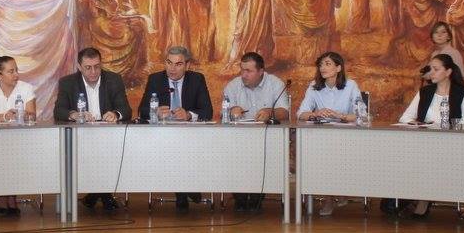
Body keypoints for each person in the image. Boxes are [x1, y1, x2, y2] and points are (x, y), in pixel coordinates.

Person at [54, 48, 133, 212]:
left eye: (97, 66)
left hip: (108, 136)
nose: (93, 72)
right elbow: (59, 110)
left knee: (107, 154)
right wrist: (74, 114)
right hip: (80, 136)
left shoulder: (113, 80)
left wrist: (115, 114)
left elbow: (126, 109)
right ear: (79, 66)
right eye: (88, 67)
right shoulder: (68, 82)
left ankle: (95, 195)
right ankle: (103, 195)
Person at [137, 46, 212, 211]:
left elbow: (207, 111)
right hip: (163, 136)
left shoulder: (197, 79)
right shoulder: (155, 79)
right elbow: (142, 111)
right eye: (169, 63)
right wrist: (155, 111)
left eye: (178, 64)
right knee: (174, 149)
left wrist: (189, 115)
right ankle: (185, 190)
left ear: (187, 65)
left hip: (190, 136)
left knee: (185, 149)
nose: (172, 68)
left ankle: (184, 191)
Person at [399, 54, 464, 218]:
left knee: (430, 157)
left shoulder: (461, 93)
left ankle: (423, 200)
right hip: (425, 142)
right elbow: (405, 118)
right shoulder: (424, 92)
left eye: (436, 69)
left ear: (448, 72)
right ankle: (417, 197)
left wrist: (445, 127)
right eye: (430, 69)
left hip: (452, 143)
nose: (431, 73)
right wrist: (416, 124)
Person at [295, 51, 363, 216]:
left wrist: (341, 116)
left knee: (332, 153)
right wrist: (316, 113)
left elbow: (361, 114)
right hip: (322, 137)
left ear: (338, 68)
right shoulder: (314, 86)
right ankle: (331, 197)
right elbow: (301, 113)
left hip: (347, 137)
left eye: (327, 64)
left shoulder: (350, 85)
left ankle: (333, 196)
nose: (322, 68)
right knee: (322, 152)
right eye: (321, 65)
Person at [222, 51, 288, 212]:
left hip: (266, 137)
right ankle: (240, 197)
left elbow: (285, 112)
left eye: (248, 71)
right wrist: (232, 110)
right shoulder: (233, 86)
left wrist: (270, 112)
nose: (243, 75)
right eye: (242, 70)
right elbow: (224, 113)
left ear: (261, 71)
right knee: (234, 154)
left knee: (263, 154)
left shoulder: (275, 84)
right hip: (238, 138)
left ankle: (257, 197)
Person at [0, 56, 37, 216]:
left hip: (20, 139)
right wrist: (6, 116)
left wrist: (21, 114)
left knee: (15, 155)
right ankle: (4, 196)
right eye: (11, 71)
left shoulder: (26, 88)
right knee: (2, 156)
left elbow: (32, 115)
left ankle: (10, 196)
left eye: (16, 70)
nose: (16, 74)